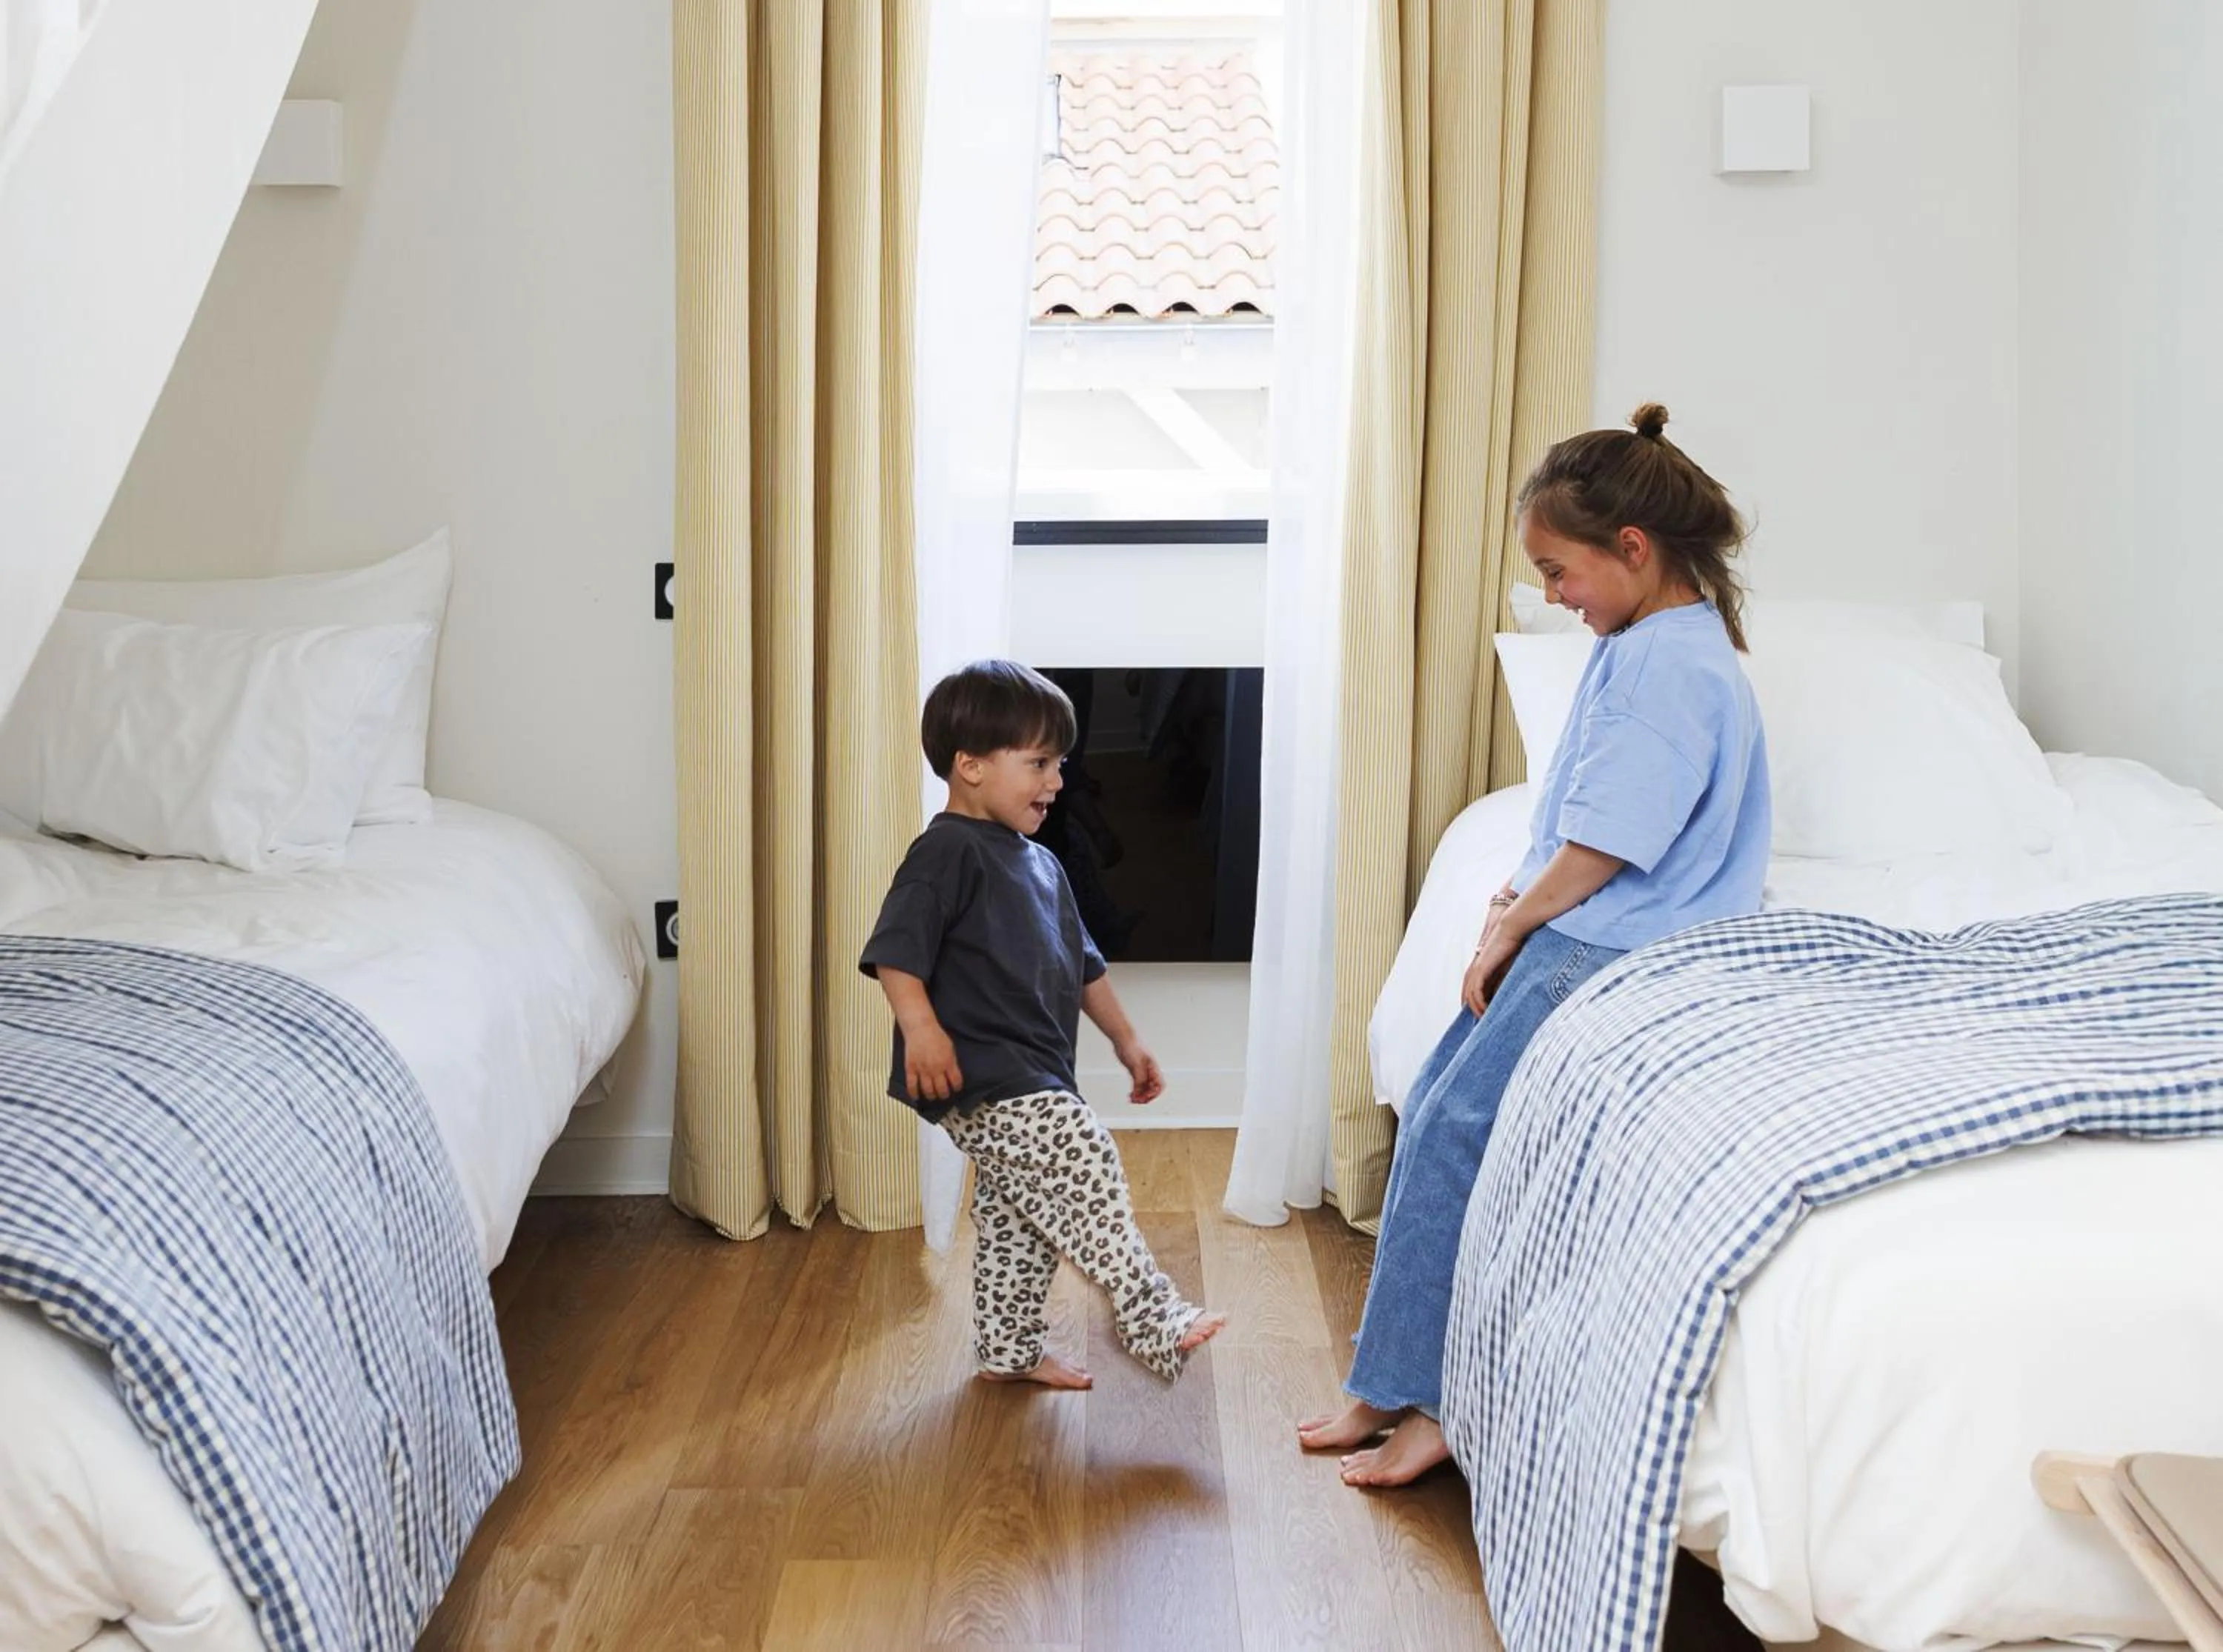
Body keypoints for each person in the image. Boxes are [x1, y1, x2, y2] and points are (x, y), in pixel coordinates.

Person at [1297, 402, 1771, 1485]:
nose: (1554, 596)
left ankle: (1434, 1399)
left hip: (1611, 942)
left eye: (1560, 573)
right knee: (1434, 1110)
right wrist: (1513, 887)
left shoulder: (1669, 667)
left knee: (1457, 1126)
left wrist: (1510, 925)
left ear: (1634, 551)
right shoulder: (1650, 640)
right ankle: (1391, 1377)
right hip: (1594, 921)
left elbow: (1609, 843)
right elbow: (1576, 809)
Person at [861, 659, 1227, 1388]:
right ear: (968, 766)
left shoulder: (1041, 865)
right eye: (1037, 763)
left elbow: (1084, 963)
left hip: (1033, 1070)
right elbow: (897, 949)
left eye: (1058, 762)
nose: (1056, 780)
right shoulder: (944, 853)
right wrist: (922, 1027)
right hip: (980, 1071)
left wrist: (1127, 1040)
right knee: (1082, 1154)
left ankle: (1008, 1352)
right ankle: (1154, 1315)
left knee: (1016, 1219)